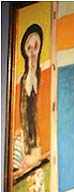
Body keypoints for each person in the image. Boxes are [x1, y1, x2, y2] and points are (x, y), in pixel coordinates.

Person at [19, 24, 43, 156]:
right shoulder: (24, 81)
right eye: (29, 48)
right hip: (28, 147)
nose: (33, 52)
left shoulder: (42, 76)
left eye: (36, 46)